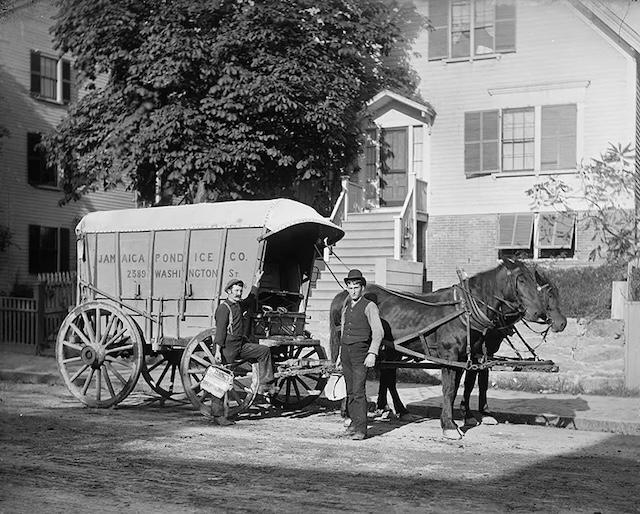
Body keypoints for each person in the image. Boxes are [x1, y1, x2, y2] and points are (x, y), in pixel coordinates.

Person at [201, 270, 277, 425]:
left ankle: (266, 383)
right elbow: (220, 331)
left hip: (240, 345)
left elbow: (251, 299)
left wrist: (256, 282)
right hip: (227, 347)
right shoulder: (224, 308)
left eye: (240, 290)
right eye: (236, 290)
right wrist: (217, 351)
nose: (239, 293)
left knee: (264, 351)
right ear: (229, 292)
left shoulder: (238, 305)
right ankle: (218, 416)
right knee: (220, 380)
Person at [338, 269, 383, 440]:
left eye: (356, 287)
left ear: (362, 288)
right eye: (350, 287)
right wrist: (339, 356)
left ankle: (361, 429)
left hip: (360, 352)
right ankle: (354, 424)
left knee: (358, 391)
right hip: (346, 352)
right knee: (350, 391)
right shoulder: (346, 305)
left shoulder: (369, 306)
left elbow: (378, 332)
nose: (353, 291)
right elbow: (343, 330)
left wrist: (372, 352)